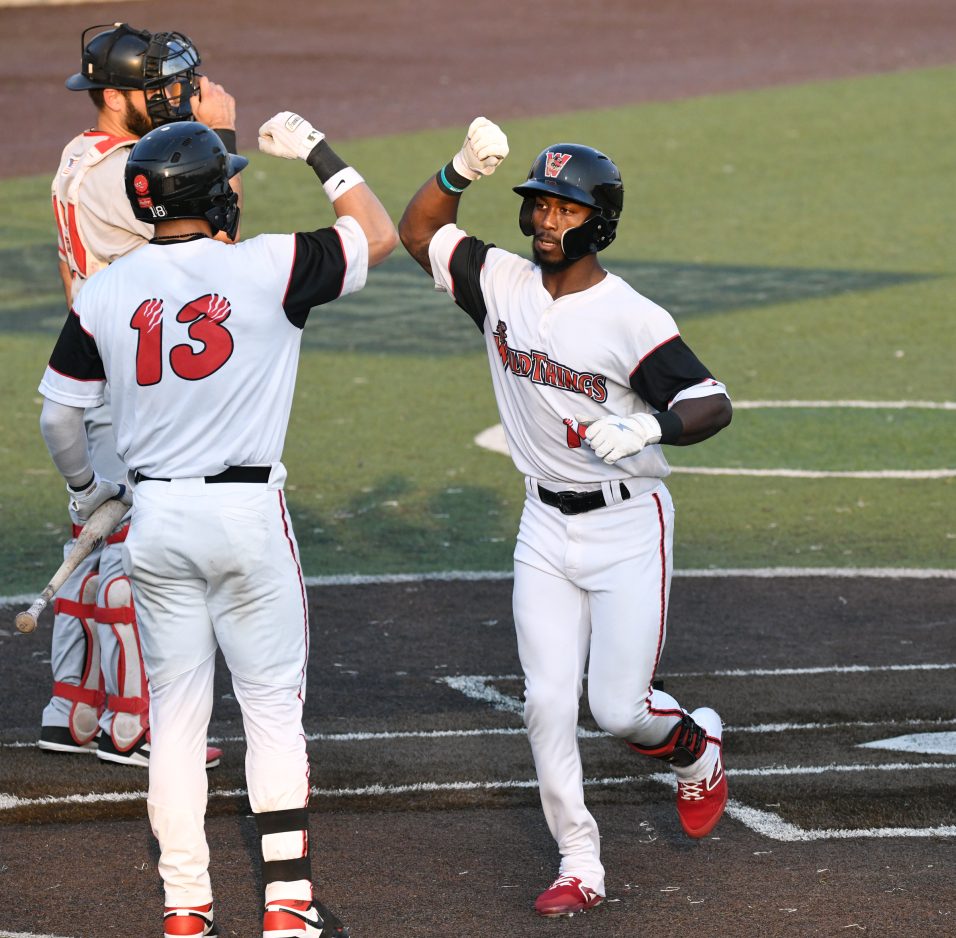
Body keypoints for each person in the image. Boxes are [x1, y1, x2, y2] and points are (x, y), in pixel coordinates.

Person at [37, 113, 396, 936]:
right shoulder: (270, 264)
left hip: (157, 520)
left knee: (176, 718)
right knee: (271, 711)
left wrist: (89, 490)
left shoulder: (104, 290)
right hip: (246, 517)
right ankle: (288, 906)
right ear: (214, 197)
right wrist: (318, 152)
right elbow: (375, 233)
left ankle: (186, 909)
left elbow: (60, 416)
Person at [399, 119, 733, 917]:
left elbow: (711, 401)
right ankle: (578, 861)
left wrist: (651, 428)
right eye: (540, 204)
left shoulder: (629, 316)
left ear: (600, 221)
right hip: (543, 527)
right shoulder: (500, 282)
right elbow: (418, 232)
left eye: (566, 209)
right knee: (546, 703)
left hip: (628, 527)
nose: (547, 220)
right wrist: (458, 170)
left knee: (619, 710)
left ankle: (696, 746)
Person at [42, 22, 239, 768]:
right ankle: (133, 725)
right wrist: (220, 137)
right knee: (133, 552)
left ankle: (73, 707)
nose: (175, 97)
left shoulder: (79, 154)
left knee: (91, 541)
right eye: (157, 88)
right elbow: (218, 251)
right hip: (135, 383)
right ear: (115, 96)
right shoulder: (125, 173)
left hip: (97, 364)